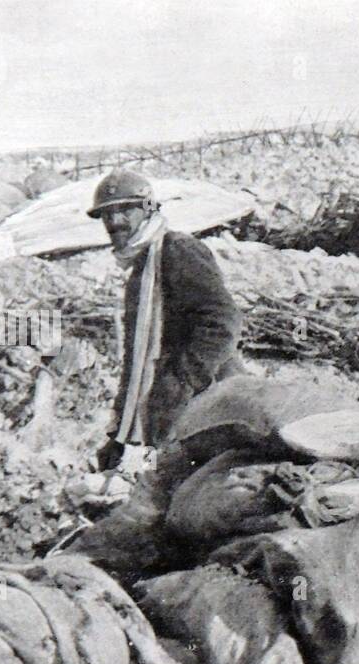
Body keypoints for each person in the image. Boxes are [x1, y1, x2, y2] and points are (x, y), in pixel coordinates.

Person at [87, 168, 246, 471]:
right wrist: (118, 436)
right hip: (165, 409)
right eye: (107, 215)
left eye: (125, 210)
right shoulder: (141, 268)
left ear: (148, 208)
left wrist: (182, 381)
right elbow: (135, 361)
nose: (115, 221)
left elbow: (222, 322)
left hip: (207, 402)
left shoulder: (177, 250)